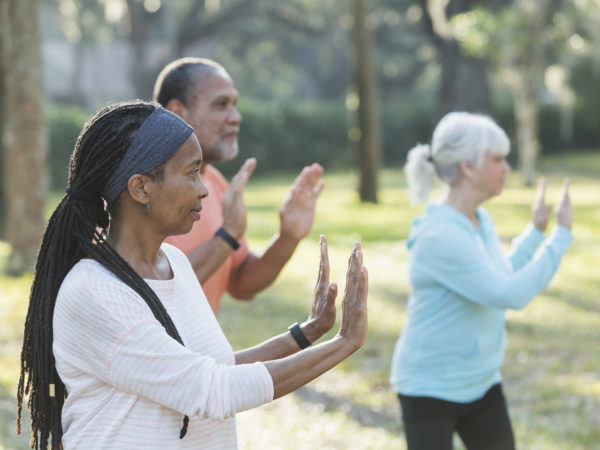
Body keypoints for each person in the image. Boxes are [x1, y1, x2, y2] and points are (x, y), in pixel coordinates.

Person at [16, 101, 368, 449]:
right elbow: (211, 391)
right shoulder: (96, 291)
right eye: (191, 172)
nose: (204, 189)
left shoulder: (175, 263)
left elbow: (218, 369)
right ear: (141, 189)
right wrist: (345, 342)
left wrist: (308, 332)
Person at [389, 112, 573, 450]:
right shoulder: (440, 234)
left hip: (481, 381)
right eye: (498, 159)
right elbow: (509, 294)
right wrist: (560, 237)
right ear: (467, 167)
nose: (507, 168)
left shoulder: (477, 218)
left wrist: (535, 233)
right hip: (429, 386)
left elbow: (498, 274)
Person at [153, 57, 324, 314]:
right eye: (221, 105)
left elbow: (241, 283)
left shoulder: (215, 182)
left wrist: (287, 238)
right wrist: (228, 235)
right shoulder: (142, 189)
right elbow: (152, 293)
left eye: (234, 105)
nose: (236, 117)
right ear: (177, 112)